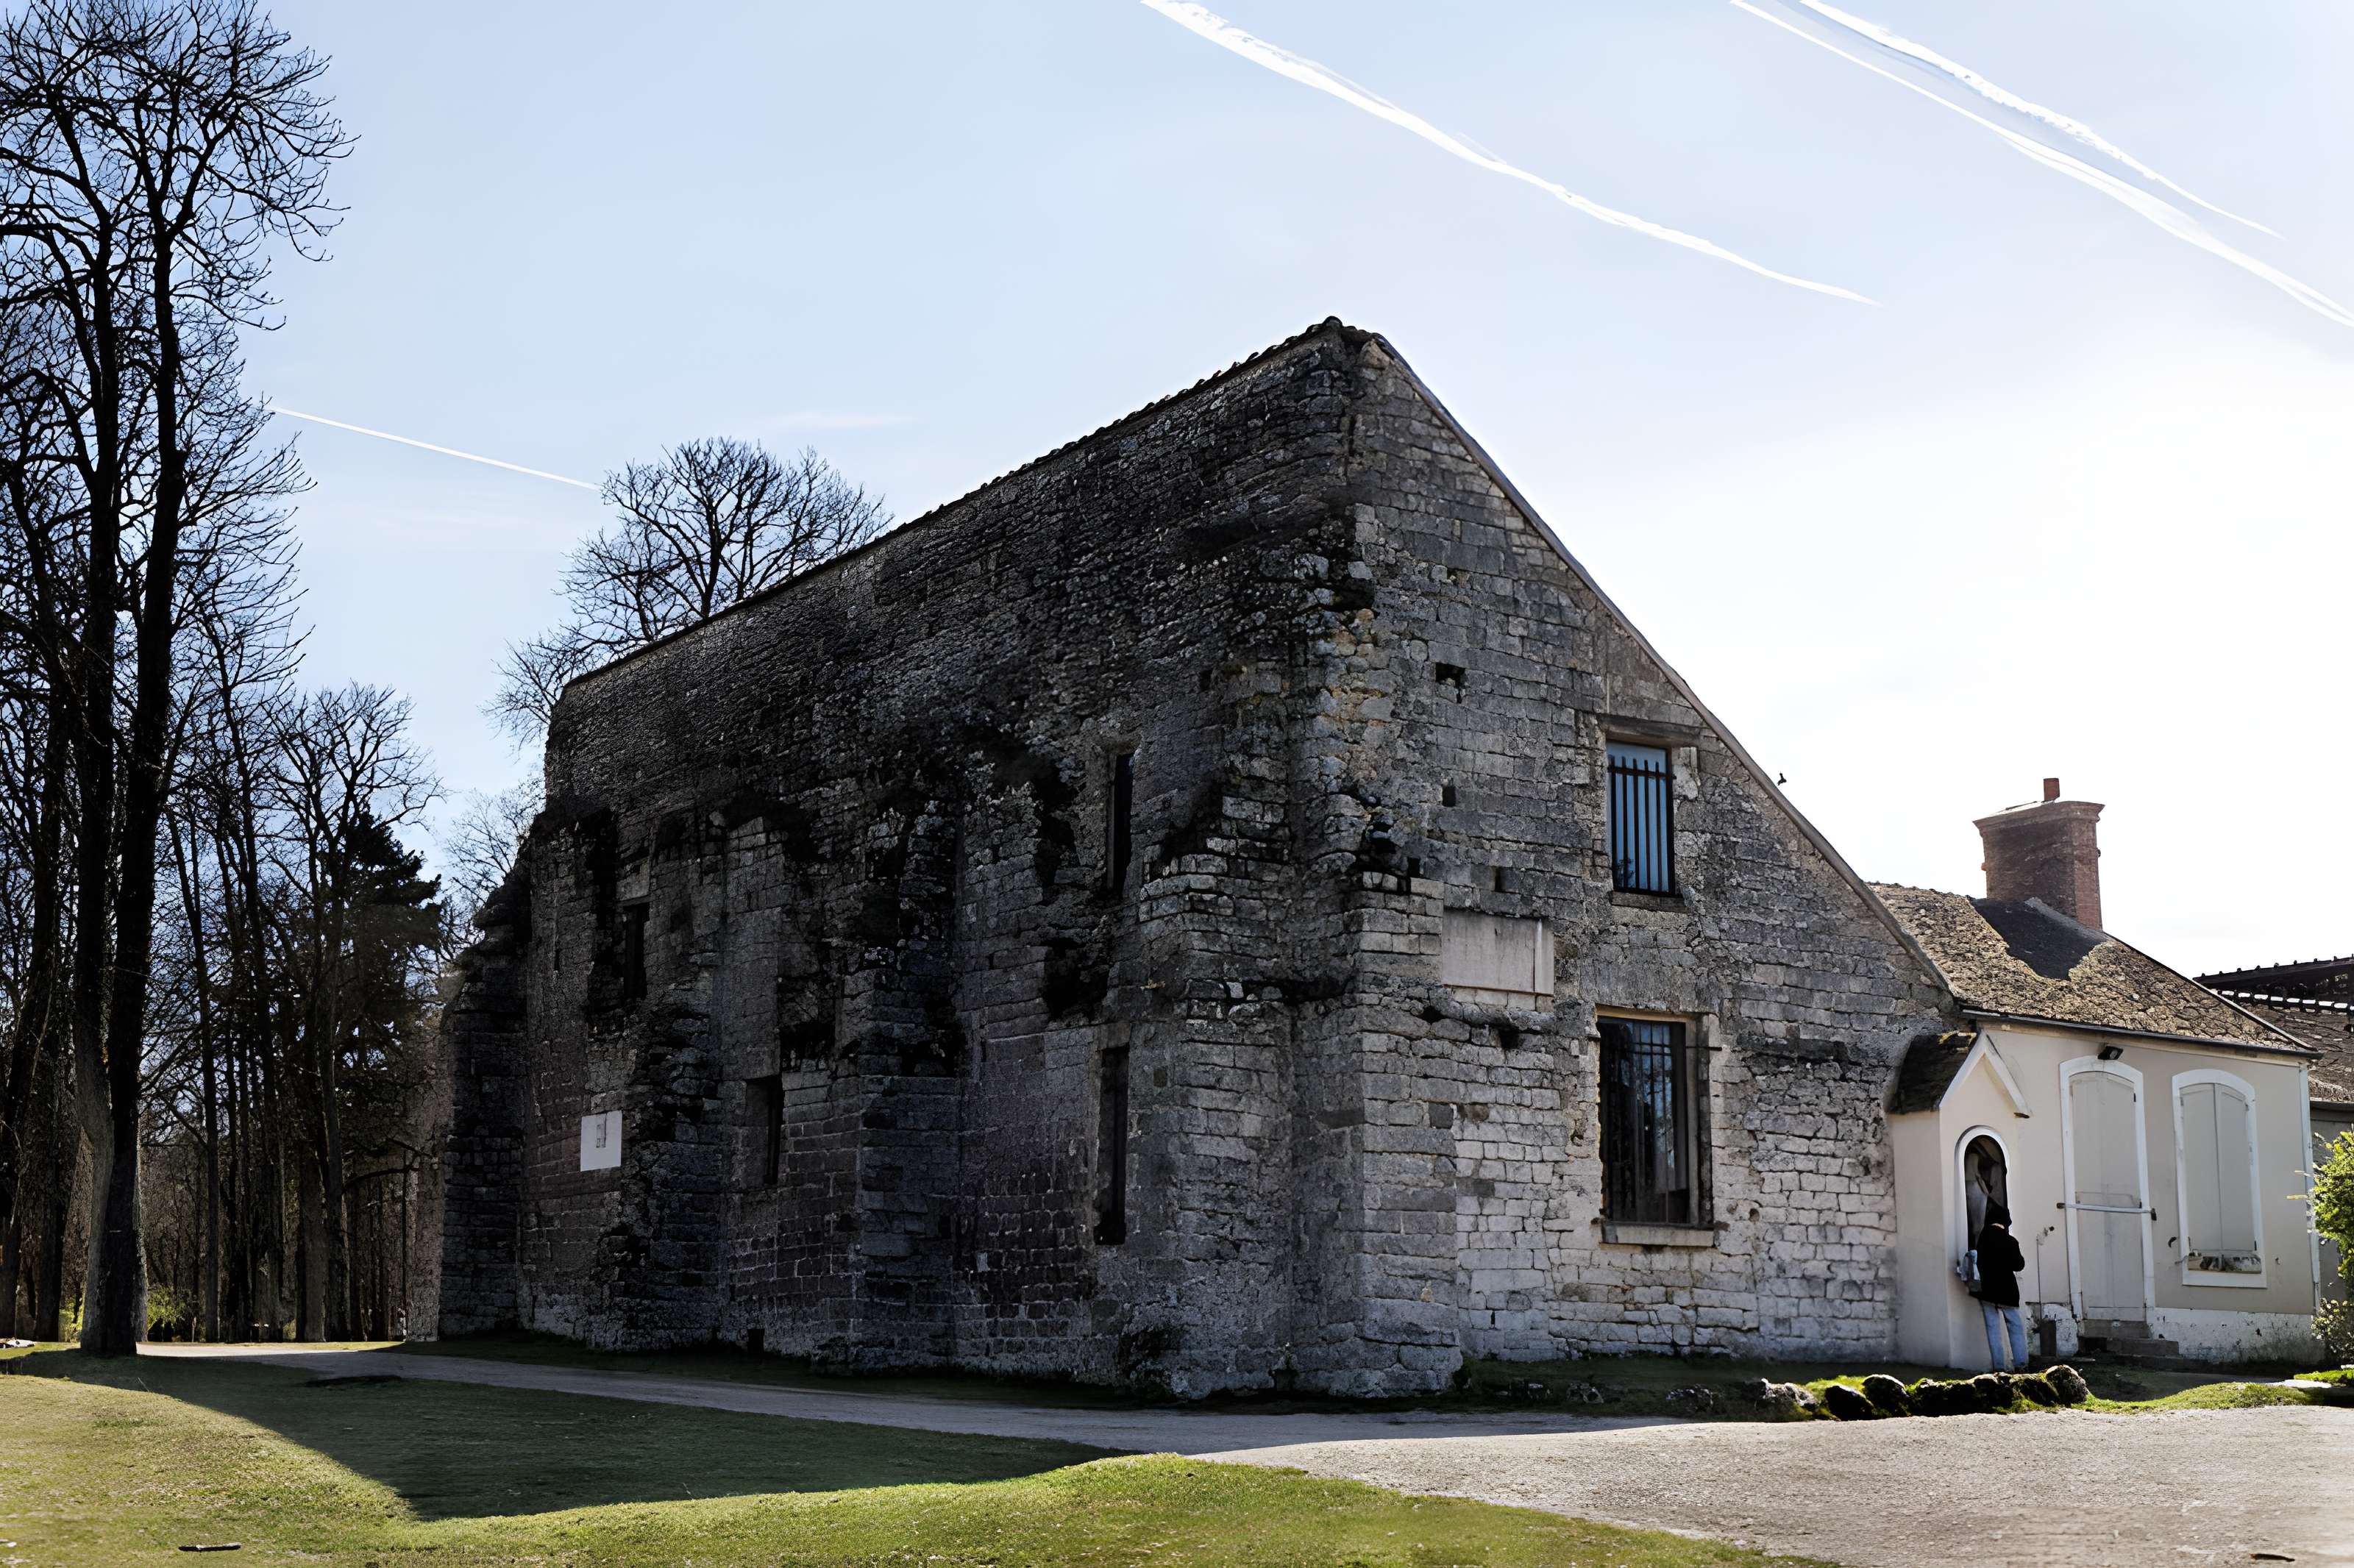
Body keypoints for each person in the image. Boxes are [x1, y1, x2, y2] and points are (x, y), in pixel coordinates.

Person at [1974, 1202, 2029, 1371]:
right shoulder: (2010, 1241)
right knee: (2015, 1328)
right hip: (2007, 1292)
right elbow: (2019, 1265)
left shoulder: (1982, 1239)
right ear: (2005, 1223)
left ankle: (1998, 1367)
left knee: (1993, 1331)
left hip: (1987, 1291)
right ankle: (2020, 1365)